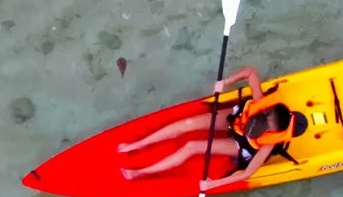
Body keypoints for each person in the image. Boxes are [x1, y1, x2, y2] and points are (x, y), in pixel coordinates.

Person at [118, 65, 306, 189]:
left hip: (241, 145)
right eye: (267, 117)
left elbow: (247, 173)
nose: (265, 124)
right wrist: (225, 83)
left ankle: (140, 172)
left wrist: (213, 184)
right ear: (268, 110)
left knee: (192, 146)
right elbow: (250, 72)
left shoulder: (267, 145)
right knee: (188, 124)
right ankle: (139, 144)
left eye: (269, 127)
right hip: (235, 120)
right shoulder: (260, 103)